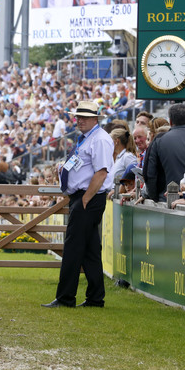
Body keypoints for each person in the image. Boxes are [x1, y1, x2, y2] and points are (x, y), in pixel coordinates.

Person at [43, 100, 113, 308]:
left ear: (94, 119)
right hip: (84, 197)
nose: (78, 120)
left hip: (88, 197)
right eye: (77, 116)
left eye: (83, 117)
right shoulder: (88, 138)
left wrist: (84, 199)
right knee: (90, 250)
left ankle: (66, 298)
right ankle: (95, 298)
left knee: (73, 248)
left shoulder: (99, 140)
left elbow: (101, 173)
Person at [145, 103, 185, 202]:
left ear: (170, 121)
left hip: (166, 200)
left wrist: (154, 197)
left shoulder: (159, 140)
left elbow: (150, 173)